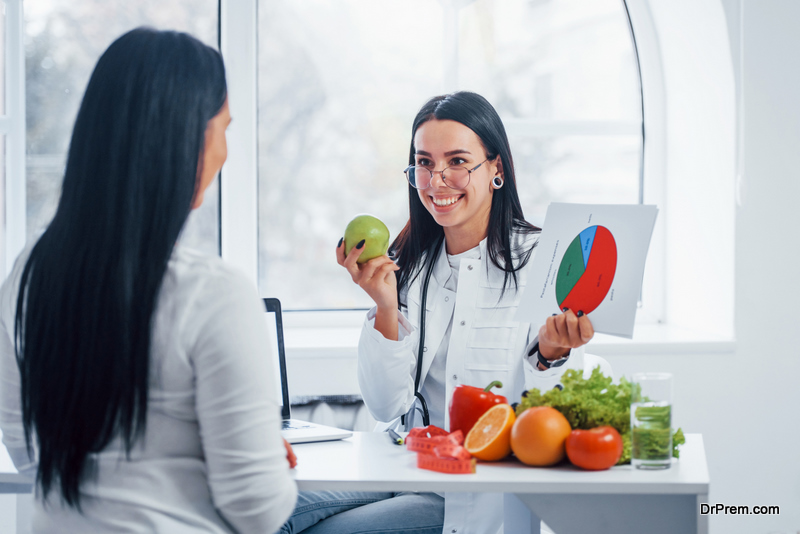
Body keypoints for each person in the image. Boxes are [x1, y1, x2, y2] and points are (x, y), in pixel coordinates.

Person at [0, 28, 297, 533]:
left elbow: (28, 452)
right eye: (224, 128)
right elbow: (259, 509)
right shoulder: (214, 295)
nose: (226, 152)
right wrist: (264, 453)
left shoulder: (27, 275)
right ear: (190, 140)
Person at [280, 92, 612, 534]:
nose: (437, 181)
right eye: (424, 162)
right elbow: (385, 405)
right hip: (403, 464)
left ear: (496, 168)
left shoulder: (544, 260)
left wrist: (551, 353)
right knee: (261, 505)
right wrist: (384, 307)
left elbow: (550, 426)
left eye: (457, 161)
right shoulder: (411, 261)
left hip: (468, 493)